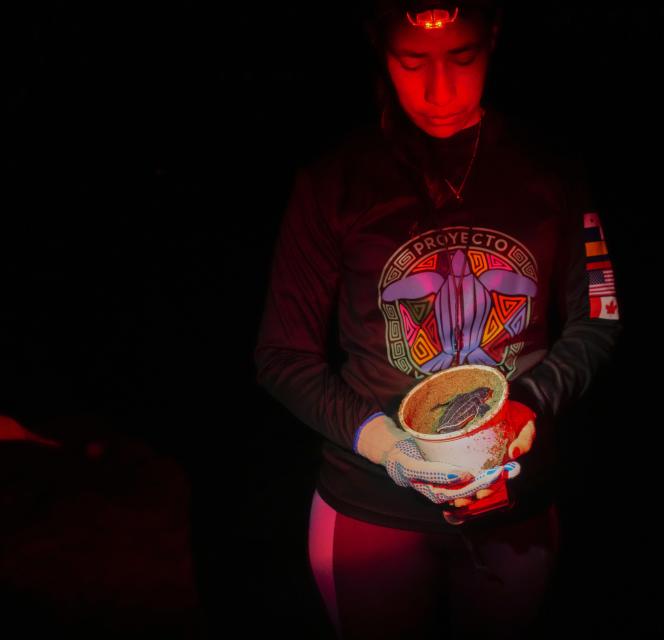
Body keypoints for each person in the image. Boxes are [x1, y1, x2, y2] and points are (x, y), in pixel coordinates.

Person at [253, 1, 623, 637]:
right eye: (411, 60)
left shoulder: (550, 170)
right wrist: (390, 449)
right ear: (379, 50)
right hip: (371, 509)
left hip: (517, 502)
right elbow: (282, 356)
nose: (439, 90)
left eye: (463, 57)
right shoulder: (335, 182)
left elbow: (599, 315)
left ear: (495, 39)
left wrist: (525, 408)